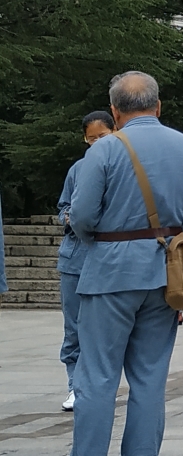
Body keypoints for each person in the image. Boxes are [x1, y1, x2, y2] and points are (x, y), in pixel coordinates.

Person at [37, 72, 183, 456]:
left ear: (114, 111)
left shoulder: (106, 149)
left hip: (110, 273)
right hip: (166, 272)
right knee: (150, 379)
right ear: (159, 106)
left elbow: (83, 218)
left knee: (97, 378)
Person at [55, 109, 115, 410]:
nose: (96, 143)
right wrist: (69, 217)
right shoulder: (78, 169)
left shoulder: (122, 165)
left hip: (107, 256)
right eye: (91, 139)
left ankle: (100, 384)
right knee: (74, 327)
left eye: (102, 137)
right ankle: (74, 385)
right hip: (74, 256)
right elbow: (63, 207)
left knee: (103, 328)